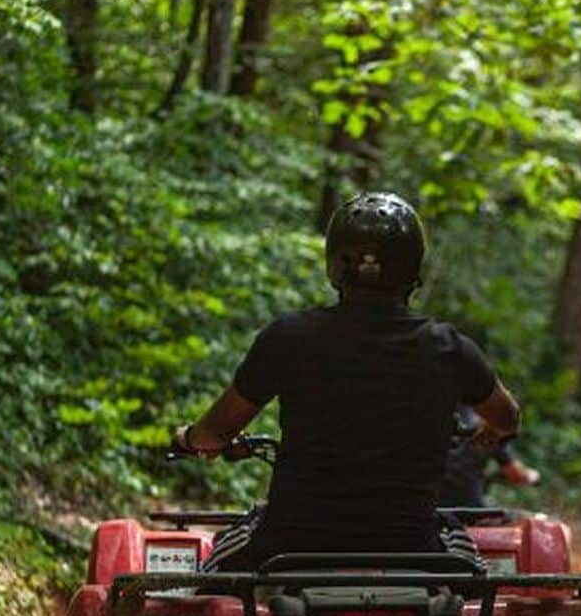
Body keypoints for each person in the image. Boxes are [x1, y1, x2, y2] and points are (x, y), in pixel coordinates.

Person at [173, 191, 520, 569]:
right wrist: (490, 431)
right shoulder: (450, 348)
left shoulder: (289, 337)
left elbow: (215, 433)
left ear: (336, 263)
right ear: (412, 268)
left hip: (291, 549)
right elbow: (507, 416)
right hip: (410, 550)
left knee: (207, 581)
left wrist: (189, 439)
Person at [437, 405, 539, 509]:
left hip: (430, 503)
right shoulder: (486, 426)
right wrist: (531, 475)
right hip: (469, 505)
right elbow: (516, 473)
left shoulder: (432, 419)